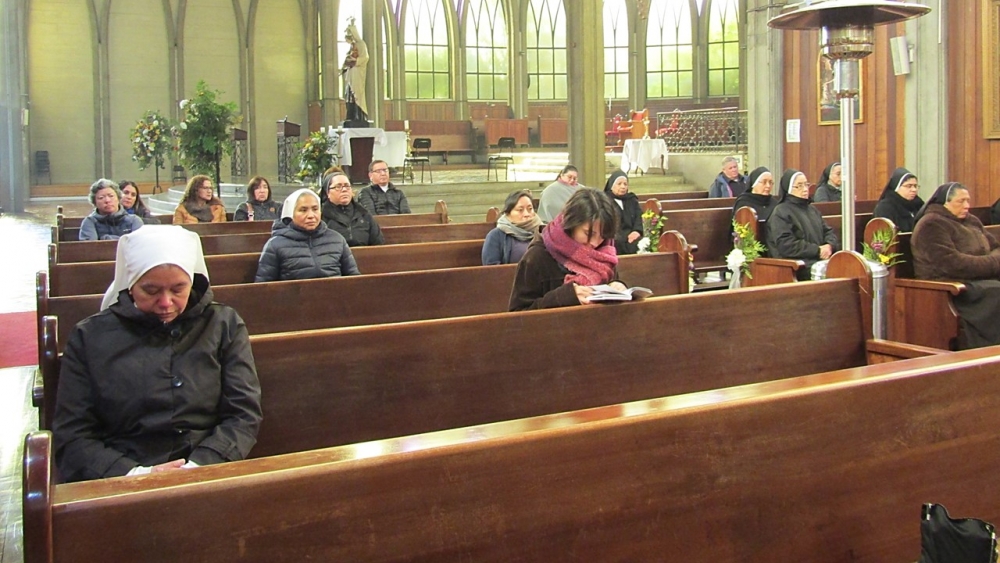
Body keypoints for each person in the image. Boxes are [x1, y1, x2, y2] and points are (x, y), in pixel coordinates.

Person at [52, 225, 263, 482]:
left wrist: (201, 465)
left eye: (178, 289)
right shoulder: (90, 336)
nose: (165, 303)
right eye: (151, 291)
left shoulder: (222, 324)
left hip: (209, 471)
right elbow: (73, 435)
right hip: (121, 479)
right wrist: (136, 474)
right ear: (131, 286)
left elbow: (243, 413)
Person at [912, 182, 1000, 349]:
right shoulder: (931, 224)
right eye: (961, 201)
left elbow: (996, 247)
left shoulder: (971, 221)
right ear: (945, 203)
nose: (967, 206)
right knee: (996, 292)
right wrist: (994, 263)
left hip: (978, 280)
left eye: (968, 200)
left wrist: (992, 262)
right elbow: (952, 263)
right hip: (949, 287)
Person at [509, 188, 625, 311]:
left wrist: (617, 286)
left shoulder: (605, 252)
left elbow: (611, 282)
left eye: (602, 235)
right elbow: (518, 314)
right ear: (571, 224)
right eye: (588, 233)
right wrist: (564, 297)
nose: (595, 243)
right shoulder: (537, 257)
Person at [255, 188, 361, 282]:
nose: (311, 215)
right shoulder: (275, 245)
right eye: (303, 210)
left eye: (315, 209)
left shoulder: (337, 240)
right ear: (291, 213)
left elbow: (354, 280)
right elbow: (263, 287)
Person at [766, 169, 840, 280]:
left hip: (818, 259)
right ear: (788, 189)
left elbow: (828, 231)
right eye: (799, 186)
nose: (805, 189)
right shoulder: (780, 212)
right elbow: (786, 245)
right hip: (797, 265)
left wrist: (829, 246)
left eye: (806, 184)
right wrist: (817, 250)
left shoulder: (812, 209)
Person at [322, 170, 384, 246]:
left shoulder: (363, 214)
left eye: (347, 186)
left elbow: (378, 243)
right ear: (328, 192)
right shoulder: (322, 216)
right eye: (338, 186)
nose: (344, 189)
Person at [482, 189, 542, 265]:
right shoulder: (495, 236)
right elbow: (492, 268)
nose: (526, 214)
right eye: (520, 210)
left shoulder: (542, 231)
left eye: (530, 209)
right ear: (508, 213)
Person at [79, 178, 144, 241]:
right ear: (95, 203)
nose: (107, 200)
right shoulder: (90, 222)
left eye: (111, 196)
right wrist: (123, 239)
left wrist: (105, 238)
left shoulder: (134, 221)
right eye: (101, 198)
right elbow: (90, 246)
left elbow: (138, 244)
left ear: (118, 198)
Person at [873, 167, 924, 232]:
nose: (914, 190)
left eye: (915, 186)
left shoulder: (919, 204)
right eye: (909, 186)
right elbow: (884, 234)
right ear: (896, 188)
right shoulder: (885, 207)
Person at [603, 170, 642, 255]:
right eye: (619, 184)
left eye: (625, 184)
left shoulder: (632, 199)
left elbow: (638, 217)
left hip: (632, 235)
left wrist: (637, 231)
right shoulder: (605, 201)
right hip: (615, 238)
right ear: (611, 186)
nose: (623, 187)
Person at [341, 18, 369, 123]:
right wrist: (346, 64)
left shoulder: (361, 44)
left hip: (357, 73)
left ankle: (358, 116)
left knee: (357, 94)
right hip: (350, 73)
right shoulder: (352, 46)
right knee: (349, 94)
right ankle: (350, 115)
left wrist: (354, 61)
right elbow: (347, 59)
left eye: (351, 36)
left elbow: (365, 58)